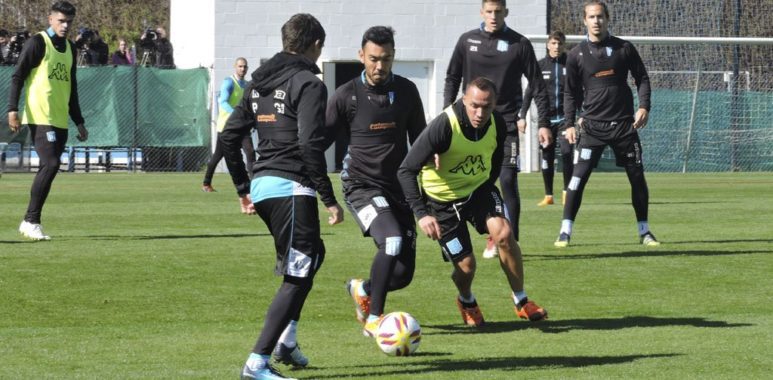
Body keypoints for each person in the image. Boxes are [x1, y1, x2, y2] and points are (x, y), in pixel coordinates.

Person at [219, 13, 344, 380]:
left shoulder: (257, 85)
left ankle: (286, 341)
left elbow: (228, 139)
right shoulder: (308, 83)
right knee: (297, 272)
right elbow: (309, 144)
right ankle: (257, 363)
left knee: (312, 255)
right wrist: (328, 197)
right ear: (314, 45)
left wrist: (244, 188)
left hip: (264, 187)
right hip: (291, 187)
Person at [398, 77, 547, 327]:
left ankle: (521, 300)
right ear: (464, 100)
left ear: (494, 104)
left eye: (486, 107)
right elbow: (406, 170)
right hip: (442, 202)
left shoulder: (497, 124)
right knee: (466, 266)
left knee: (504, 233)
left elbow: (495, 161)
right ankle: (466, 300)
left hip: (478, 191)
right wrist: (422, 214)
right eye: (474, 105)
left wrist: (485, 189)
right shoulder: (444, 125)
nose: (480, 113)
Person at [326, 26, 426, 337]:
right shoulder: (346, 96)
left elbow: (420, 141)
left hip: (398, 190)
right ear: (361, 56)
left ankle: (363, 288)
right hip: (361, 187)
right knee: (392, 241)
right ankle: (375, 319)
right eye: (373, 59)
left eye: (386, 59)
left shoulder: (408, 91)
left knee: (403, 274)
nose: (379, 66)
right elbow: (319, 143)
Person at [444, 0, 551, 259]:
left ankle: (510, 240)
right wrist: (447, 117)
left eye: (498, 12)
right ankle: (470, 238)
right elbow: (452, 78)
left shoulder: (519, 44)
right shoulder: (467, 41)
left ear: (506, 12)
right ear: (482, 12)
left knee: (506, 180)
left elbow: (536, 83)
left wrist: (544, 122)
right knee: (470, 181)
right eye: (489, 11)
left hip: (505, 127)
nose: (494, 16)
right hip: (470, 127)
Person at [555, 1, 659, 248]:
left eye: (600, 16)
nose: (596, 21)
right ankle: (565, 230)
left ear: (607, 18)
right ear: (585, 21)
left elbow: (642, 78)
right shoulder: (576, 55)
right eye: (591, 17)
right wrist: (569, 123)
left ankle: (644, 231)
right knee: (576, 179)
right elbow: (570, 93)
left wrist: (644, 106)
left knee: (637, 177)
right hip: (592, 129)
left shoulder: (624, 48)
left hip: (624, 127)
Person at [7, 1, 87, 241]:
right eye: (61, 20)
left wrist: (79, 121)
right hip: (40, 116)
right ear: (50, 19)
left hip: (60, 119)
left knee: (49, 167)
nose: (65, 25)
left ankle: (28, 221)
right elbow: (18, 75)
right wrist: (12, 109)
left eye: (69, 22)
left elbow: (72, 89)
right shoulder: (38, 42)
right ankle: (31, 220)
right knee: (51, 164)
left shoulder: (71, 49)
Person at [520, 31, 574, 207]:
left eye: (560, 43)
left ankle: (567, 193)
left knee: (567, 153)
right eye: (553, 43)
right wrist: (522, 116)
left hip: (566, 119)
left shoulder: (570, 65)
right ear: (547, 45)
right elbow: (529, 93)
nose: (557, 47)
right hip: (546, 122)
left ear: (564, 45)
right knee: (547, 157)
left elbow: (580, 91)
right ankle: (548, 195)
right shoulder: (540, 66)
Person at [201, 57, 257, 214]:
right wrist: (238, 115)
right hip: (227, 128)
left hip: (242, 127)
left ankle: (253, 186)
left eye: (245, 67)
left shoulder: (246, 85)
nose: (243, 69)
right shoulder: (229, 82)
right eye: (240, 66)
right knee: (217, 157)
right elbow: (223, 102)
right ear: (235, 67)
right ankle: (206, 183)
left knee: (251, 152)